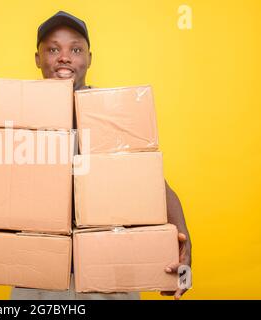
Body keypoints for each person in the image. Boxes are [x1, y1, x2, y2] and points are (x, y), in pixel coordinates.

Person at [11, 11, 192, 300]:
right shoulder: (16, 118)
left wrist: (185, 252)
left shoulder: (113, 116)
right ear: (37, 58)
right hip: (38, 281)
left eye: (76, 49)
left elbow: (154, 181)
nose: (64, 57)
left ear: (90, 58)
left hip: (110, 280)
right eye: (53, 49)